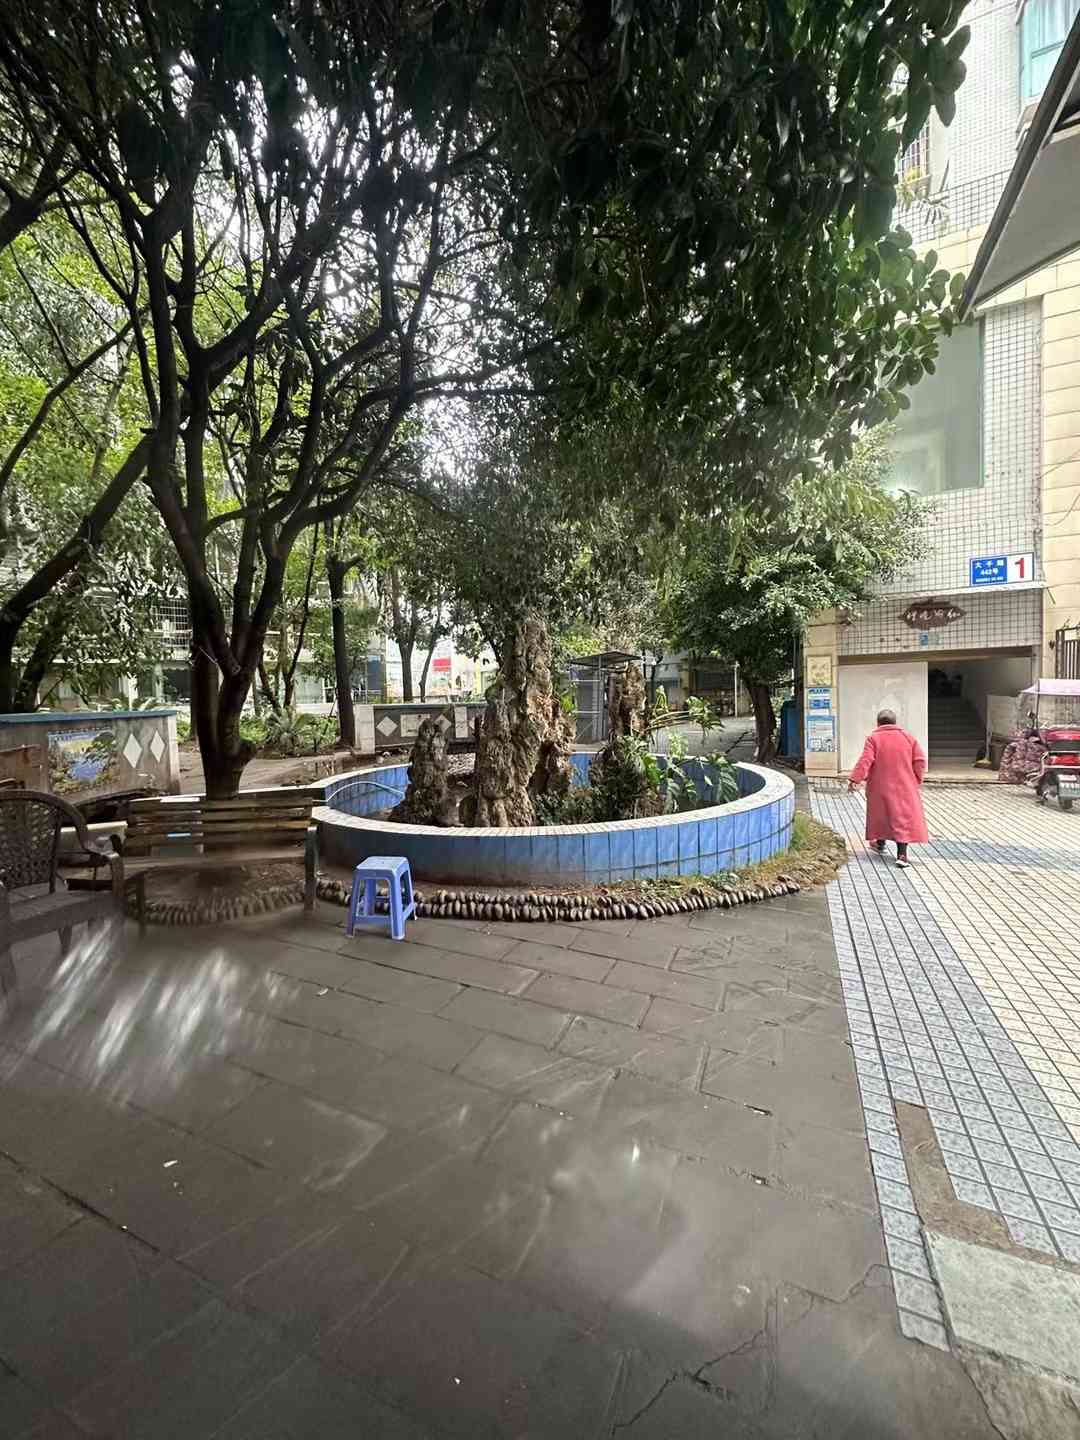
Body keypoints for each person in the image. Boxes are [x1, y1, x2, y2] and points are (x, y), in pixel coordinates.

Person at [848, 708, 928, 869]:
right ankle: (902, 855)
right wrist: (916, 779)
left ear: (878, 723)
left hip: (880, 786)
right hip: (905, 786)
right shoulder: (908, 738)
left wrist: (855, 778)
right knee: (901, 818)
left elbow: (866, 760)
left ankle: (880, 843)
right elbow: (919, 761)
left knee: (881, 814)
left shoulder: (873, 738)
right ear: (895, 722)